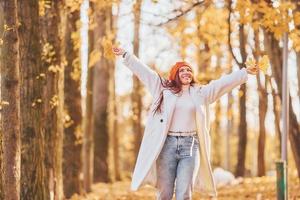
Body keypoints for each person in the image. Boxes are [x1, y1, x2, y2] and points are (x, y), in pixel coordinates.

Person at [112, 47, 258, 200]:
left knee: (184, 194)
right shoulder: (162, 88)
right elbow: (145, 72)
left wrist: (244, 72)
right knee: (164, 194)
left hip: (190, 146)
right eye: (182, 70)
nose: (186, 72)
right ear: (176, 74)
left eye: (189, 70)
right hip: (167, 145)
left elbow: (222, 83)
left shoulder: (201, 92)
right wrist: (126, 55)